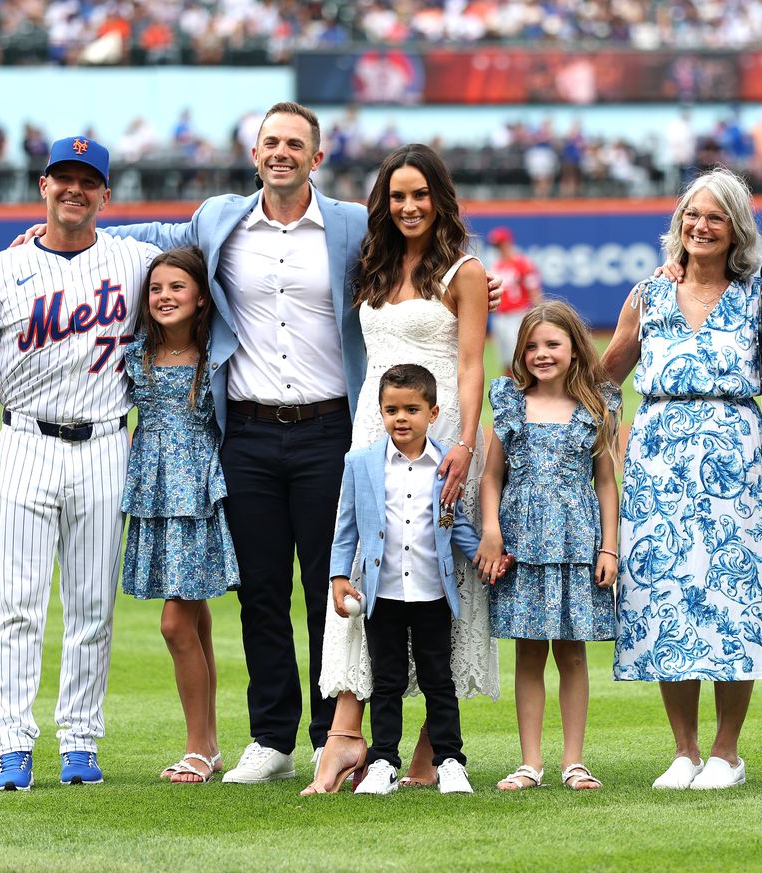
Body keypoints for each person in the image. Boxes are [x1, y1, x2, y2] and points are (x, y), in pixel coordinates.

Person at [16, 103, 500, 785]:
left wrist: (480, 284)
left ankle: (333, 736)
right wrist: (63, 232)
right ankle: (271, 738)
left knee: (331, 588)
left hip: (332, 427)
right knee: (261, 592)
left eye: (295, 144)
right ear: (255, 153)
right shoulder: (220, 219)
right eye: (271, 141)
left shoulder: (351, 225)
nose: (281, 153)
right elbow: (154, 236)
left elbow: (420, 240)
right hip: (245, 429)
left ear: (316, 157)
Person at [0, 136, 161, 791]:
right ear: (43, 185)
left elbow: (202, 254)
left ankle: (80, 740)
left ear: (105, 194)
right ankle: (12, 743)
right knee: (18, 605)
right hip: (25, 445)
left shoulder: (136, 261)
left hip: (105, 444)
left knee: (92, 607)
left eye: (87, 181)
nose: (75, 190)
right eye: (63, 178)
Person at [304, 143, 495, 795]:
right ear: (383, 203)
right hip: (373, 426)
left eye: (420, 194)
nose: (409, 206)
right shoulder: (373, 264)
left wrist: (463, 442)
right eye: (397, 196)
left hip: (441, 430)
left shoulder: (465, 271)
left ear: (440, 199)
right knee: (369, 567)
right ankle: (349, 735)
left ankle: (432, 747)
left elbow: (471, 363)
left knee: (441, 577)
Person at [602, 167, 762, 791]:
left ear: (737, 229)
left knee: (737, 597)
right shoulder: (649, 295)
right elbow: (607, 376)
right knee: (665, 597)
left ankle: (726, 753)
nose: (701, 227)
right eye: (692, 215)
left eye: (715, 217)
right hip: (657, 462)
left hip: (735, 460)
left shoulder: (759, 295)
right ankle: (684, 751)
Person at [474, 300, 621, 792]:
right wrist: (491, 530)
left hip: (577, 544)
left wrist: (608, 548)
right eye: (532, 346)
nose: (542, 354)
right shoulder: (510, 403)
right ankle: (530, 763)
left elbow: (606, 482)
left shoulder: (596, 407)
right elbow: (491, 476)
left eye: (553, 344)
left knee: (573, 655)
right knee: (529, 653)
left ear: (575, 349)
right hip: (522, 544)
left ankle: (574, 762)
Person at [328, 364, 483, 796]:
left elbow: (454, 523)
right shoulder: (361, 463)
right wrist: (339, 576)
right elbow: (346, 527)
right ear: (380, 412)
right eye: (392, 409)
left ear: (432, 413)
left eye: (412, 409)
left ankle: (449, 761)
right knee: (387, 681)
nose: (401, 418)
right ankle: (382, 762)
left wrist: (485, 556)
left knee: (439, 680)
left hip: (433, 593)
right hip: (383, 595)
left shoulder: (446, 464)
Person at [119, 246, 240, 784]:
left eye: (176, 287)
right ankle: (209, 745)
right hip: (154, 492)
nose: (164, 297)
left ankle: (197, 747)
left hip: (199, 496)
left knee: (175, 624)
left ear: (201, 297)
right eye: (156, 289)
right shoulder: (135, 355)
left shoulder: (219, 355)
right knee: (194, 618)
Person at [485, 227, 543, 374]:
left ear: (507, 243)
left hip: (518, 314)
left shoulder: (522, 263)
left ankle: (526, 384)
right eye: (496, 245)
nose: (498, 248)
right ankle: (508, 386)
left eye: (500, 244)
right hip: (500, 316)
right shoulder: (496, 265)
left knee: (517, 356)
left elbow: (534, 290)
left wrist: (542, 313)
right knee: (504, 357)